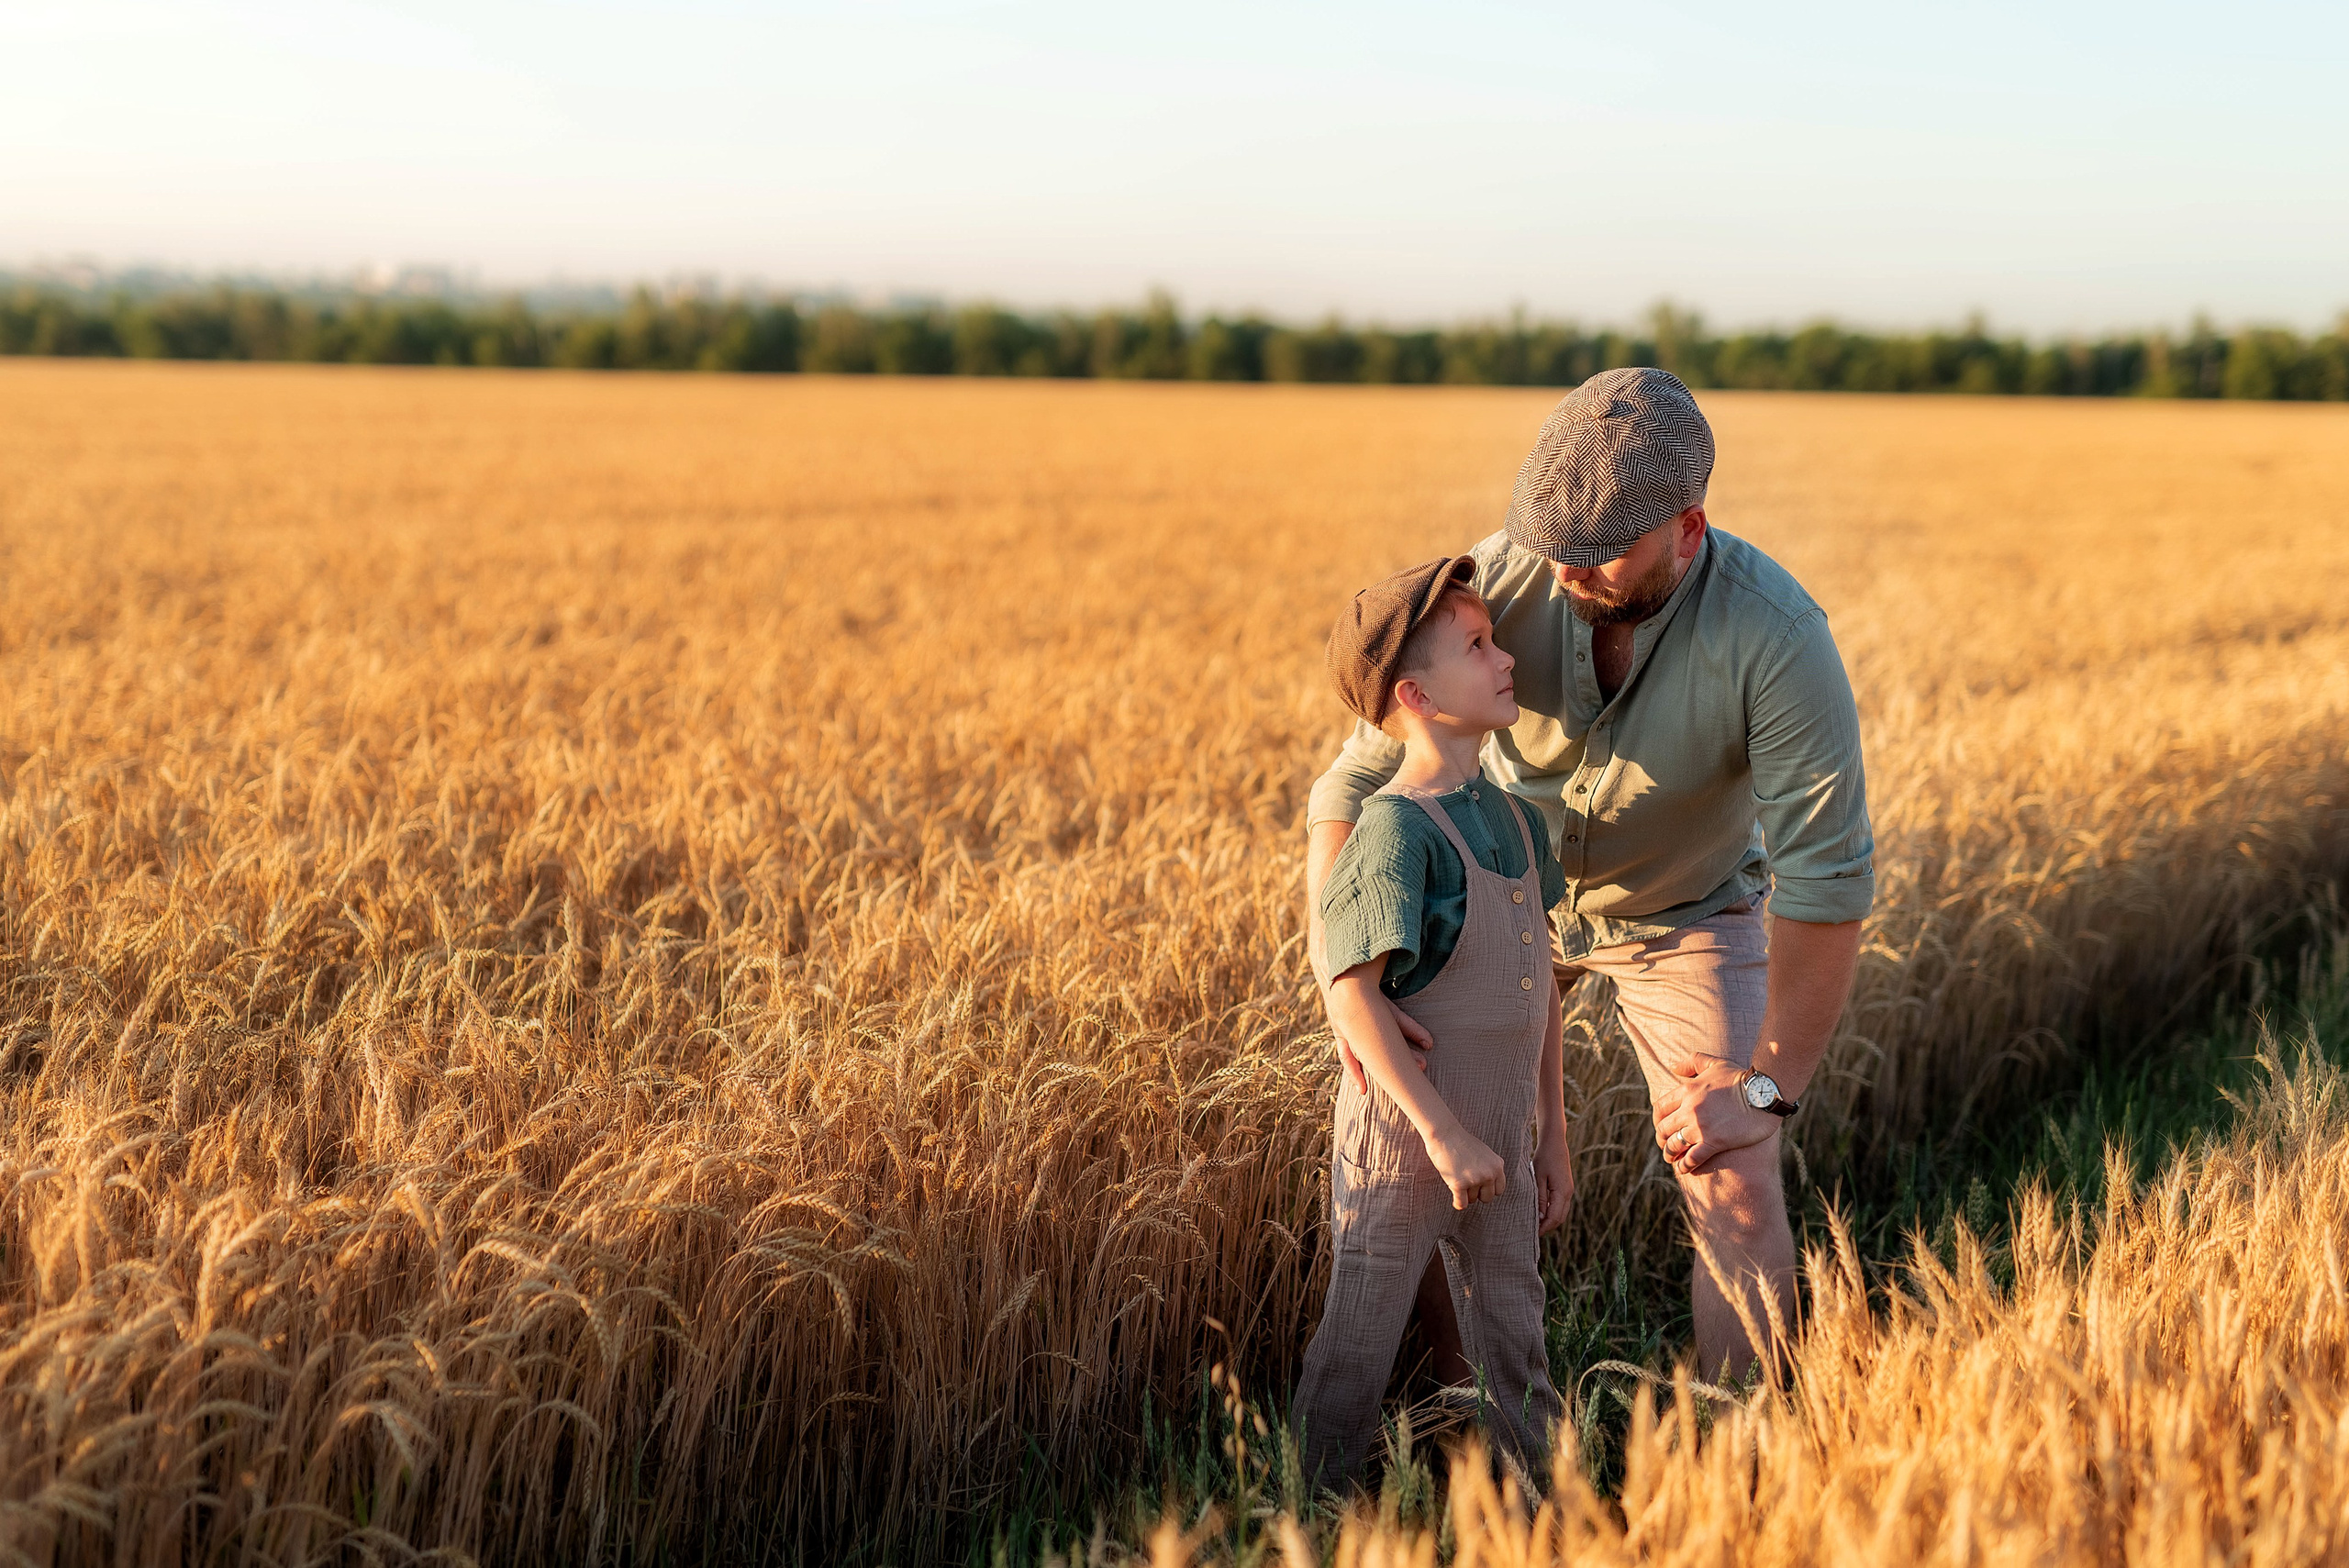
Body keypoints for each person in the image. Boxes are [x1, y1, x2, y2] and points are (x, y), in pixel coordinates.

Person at [1306, 367, 1873, 1382]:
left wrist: (1770, 1084)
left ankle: (1733, 1453)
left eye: (1600, 551)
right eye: (1553, 542)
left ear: (1687, 528)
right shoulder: (1501, 578)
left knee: (1736, 1173)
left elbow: (1826, 884)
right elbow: (1351, 784)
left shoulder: (1778, 641)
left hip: (1684, 910)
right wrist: (1348, 983)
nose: (1567, 572)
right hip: (1491, 893)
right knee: (1409, 1143)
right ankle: (1458, 1409)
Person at [1291, 554, 1574, 1489]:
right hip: (1404, 1139)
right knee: (1359, 1338)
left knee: (1514, 1330)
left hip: (1500, 1133)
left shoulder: (1521, 821)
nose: (1505, 659)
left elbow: (1542, 990)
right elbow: (1356, 993)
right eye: (1478, 646)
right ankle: (1311, 1512)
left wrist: (1552, 1138)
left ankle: (1536, 1510)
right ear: (1415, 694)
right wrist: (1441, 1131)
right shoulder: (1393, 828)